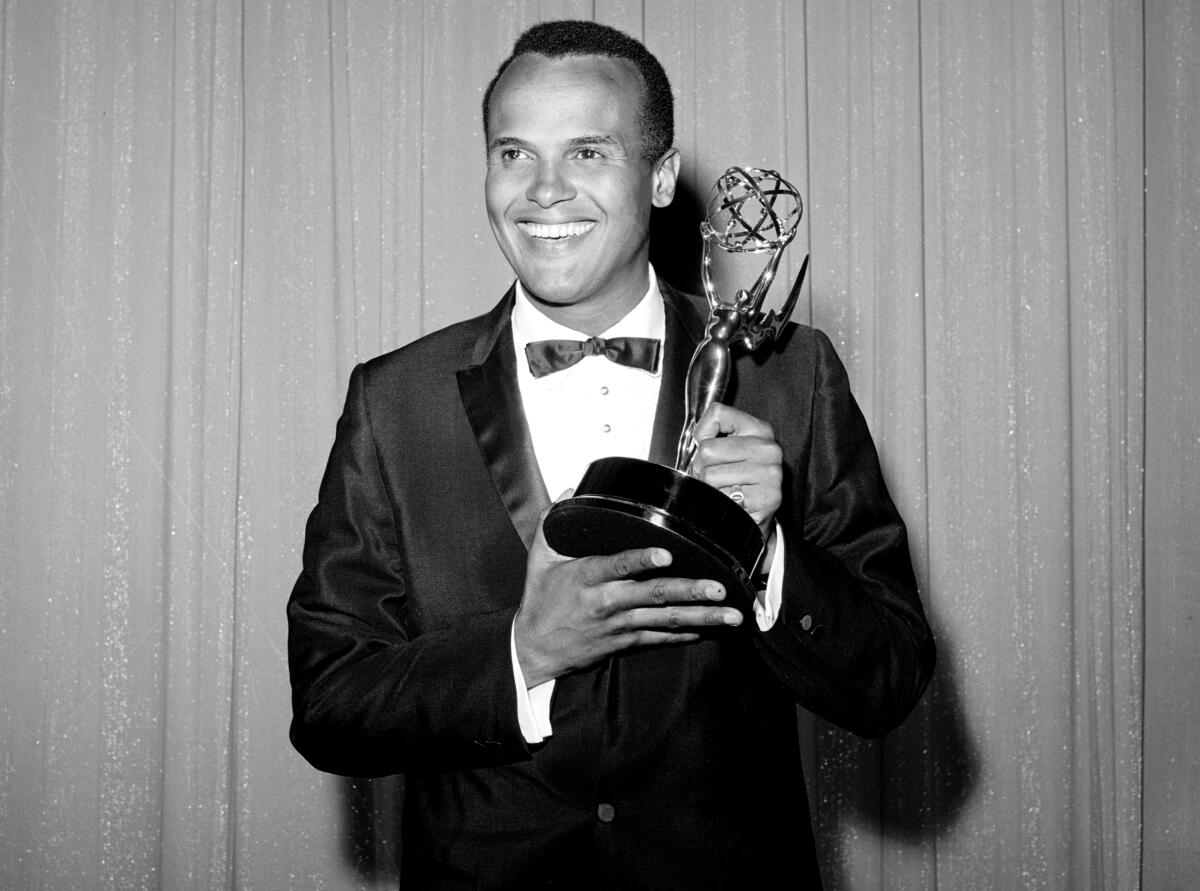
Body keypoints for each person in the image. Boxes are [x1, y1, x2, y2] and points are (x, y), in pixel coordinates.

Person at [288, 19, 934, 889]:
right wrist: (523, 653)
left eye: (587, 152)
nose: (543, 192)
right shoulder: (393, 400)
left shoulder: (789, 374)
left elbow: (889, 679)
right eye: (514, 154)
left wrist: (769, 555)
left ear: (661, 178)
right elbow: (330, 708)